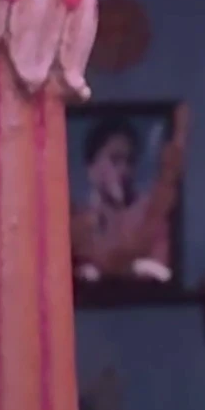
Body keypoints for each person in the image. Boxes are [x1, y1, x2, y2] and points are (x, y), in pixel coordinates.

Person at [70, 107, 187, 283]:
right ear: (92, 168)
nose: (124, 170)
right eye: (115, 160)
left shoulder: (151, 211)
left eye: (129, 161)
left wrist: (180, 132)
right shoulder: (77, 221)